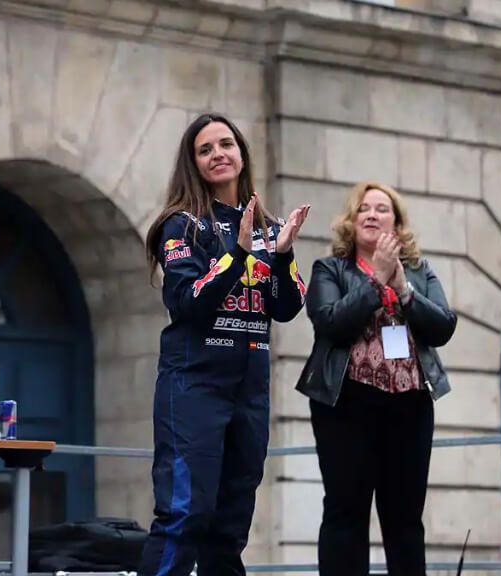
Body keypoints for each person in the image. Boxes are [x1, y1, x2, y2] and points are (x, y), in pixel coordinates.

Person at [138, 113, 311, 576]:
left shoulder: (270, 226)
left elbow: (288, 307)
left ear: (241, 153)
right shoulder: (183, 225)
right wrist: (236, 253)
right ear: (192, 163)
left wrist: (283, 254)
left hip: (249, 390)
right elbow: (187, 301)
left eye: (225, 144)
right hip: (193, 385)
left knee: (230, 527)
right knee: (184, 515)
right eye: (205, 149)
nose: (218, 155)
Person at [297, 182, 457, 576]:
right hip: (346, 404)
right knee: (346, 512)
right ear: (351, 221)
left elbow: (443, 327)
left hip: (409, 405)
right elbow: (330, 322)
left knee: (404, 518)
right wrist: (375, 281)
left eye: (381, 209)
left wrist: (402, 287)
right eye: (363, 209)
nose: (371, 214)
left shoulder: (419, 272)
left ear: (397, 223)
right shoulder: (330, 269)